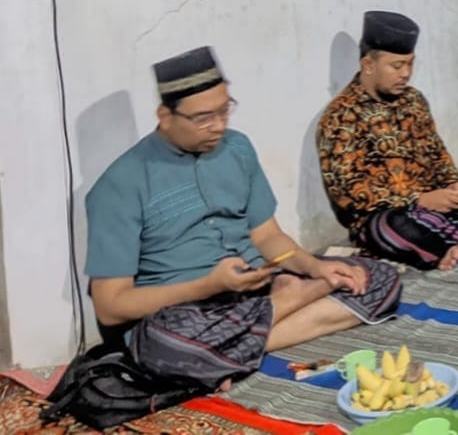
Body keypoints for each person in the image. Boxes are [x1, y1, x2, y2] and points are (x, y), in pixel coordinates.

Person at [85, 47, 402, 390]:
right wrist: (210, 285)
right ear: (165, 116)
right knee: (168, 348)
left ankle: (229, 353)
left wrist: (314, 268)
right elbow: (110, 308)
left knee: (380, 278)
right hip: (185, 312)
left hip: (250, 295)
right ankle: (287, 303)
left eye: (225, 110)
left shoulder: (237, 149)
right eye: (204, 118)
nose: (219, 126)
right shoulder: (119, 184)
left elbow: (267, 237)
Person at [317, 11, 458, 271]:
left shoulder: (414, 101)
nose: (406, 74)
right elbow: (350, 193)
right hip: (392, 216)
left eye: (410, 64)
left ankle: (456, 244)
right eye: (396, 66)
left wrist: (455, 185)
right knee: (395, 232)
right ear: (368, 65)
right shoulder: (341, 117)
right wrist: (419, 200)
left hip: (441, 209)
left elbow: (437, 154)